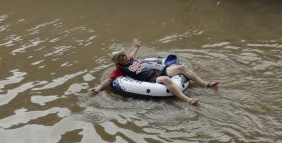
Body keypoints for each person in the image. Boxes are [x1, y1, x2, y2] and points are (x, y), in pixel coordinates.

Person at [89, 38, 218, 105]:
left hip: (159, 70)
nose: (124, 56)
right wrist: (99, 88)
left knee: (182, 68)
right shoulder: (120, 70)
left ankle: (205, 84)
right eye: (121, 56)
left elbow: (133, 53)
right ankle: (187, 100)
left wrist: (136, 47)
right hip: (151, 79)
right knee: (166, 80)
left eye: (123, 54)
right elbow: (109, 80)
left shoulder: (130, 59)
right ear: (118, 62)